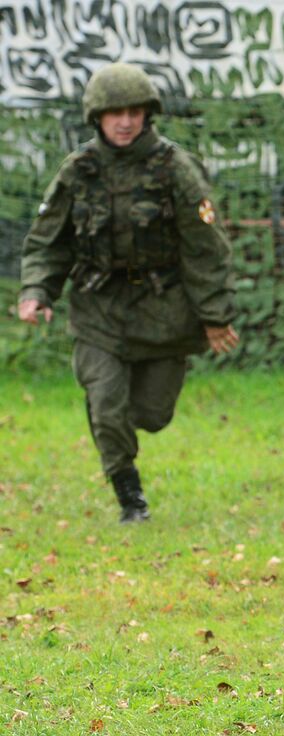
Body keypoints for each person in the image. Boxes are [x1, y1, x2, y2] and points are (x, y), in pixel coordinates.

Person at [15, 63, 239, 523]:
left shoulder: (175, 168)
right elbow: (47, 240)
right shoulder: (78, 171)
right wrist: (37, 291)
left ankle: (112, 418)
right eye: (114, 112)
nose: (125, 121)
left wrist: (215, 315)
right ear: (96, 116)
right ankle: (130, 499)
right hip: (99, 309)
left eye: (134, 111)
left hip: (164, 312)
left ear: (147, 114)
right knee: (106, 407)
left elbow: (206, 248)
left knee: (152, 415)